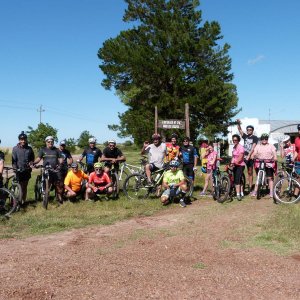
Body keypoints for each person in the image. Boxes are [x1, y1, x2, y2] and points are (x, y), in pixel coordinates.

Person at [33, 136, 64, 204]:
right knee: (47, 183)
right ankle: (45, 196)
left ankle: (59, 196)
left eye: (52, 142)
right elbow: (39, 158)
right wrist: (34, 162)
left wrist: (60, 163)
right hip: (46, 169)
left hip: (55, 169)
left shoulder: (57, 150)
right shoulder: (43, 150)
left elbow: (61, 158)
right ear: (46, 142)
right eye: (48, 142)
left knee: (59, 185)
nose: (50, 143)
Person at [250, 133, 277, 198]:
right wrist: (252, 155)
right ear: (261, 139)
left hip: (269, 163)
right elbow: (254, 152)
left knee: (270, 178)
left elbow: (274, 152)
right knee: (258, 177)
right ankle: (255, 191)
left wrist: (275, 157)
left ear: (267, 139)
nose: (264, 140)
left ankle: (271, 192)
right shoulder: (258, 146)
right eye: (263, 139)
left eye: (266, 139)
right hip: (259, 162)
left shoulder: (271, 146)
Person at [11, 131, 35, 204]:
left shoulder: (29, 149)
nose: (23, 141)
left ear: (26, 139)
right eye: (21, 139)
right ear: (19, 140)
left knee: (24, 187)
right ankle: (17, 201)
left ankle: (23, 201)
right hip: (18, 170)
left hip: (27, 170)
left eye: (24, 139)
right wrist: (15, 168)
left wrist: (31, 163)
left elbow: (32, 158)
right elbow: (13, 160)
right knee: (20, 186)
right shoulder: (15, 149)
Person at [237, 119, 258, 190]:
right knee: (240, 170)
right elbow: (240, 130)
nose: (249, 131)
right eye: (248, 130)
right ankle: (240, 184)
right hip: (244, 156)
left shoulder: (255, 137)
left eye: (250, 130)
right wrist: (238, 123)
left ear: (252, 130)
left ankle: (250, 186)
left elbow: (253, 147)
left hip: (250, 156)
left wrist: (249, 155)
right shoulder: (245, 136)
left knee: (250, 171)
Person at [230, 134, 245, 200]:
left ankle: (238, 195)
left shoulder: (240, 147)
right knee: (238, 179)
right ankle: (241, 193)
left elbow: (241, 157)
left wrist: (235, 162)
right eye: (233, 140)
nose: (234, 141)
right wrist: (231, 163)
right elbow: (233, 156)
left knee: (237, 180)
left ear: (238, 140)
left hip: (240, 165)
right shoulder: (234, 147)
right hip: (235, 165)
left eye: (235, 140)